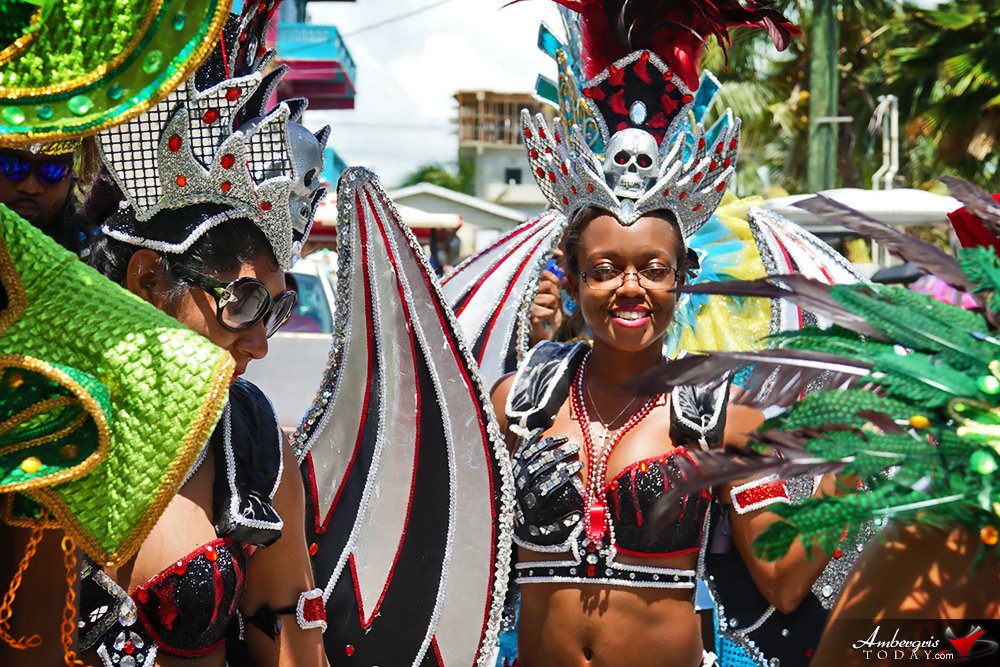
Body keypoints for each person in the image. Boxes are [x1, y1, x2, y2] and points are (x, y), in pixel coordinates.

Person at [65, 10, 332, 665]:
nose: (262, 343)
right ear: (150, 278)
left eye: (276, 308)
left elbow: (293, 648)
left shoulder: (256, 453)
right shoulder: (40, 415)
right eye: (241, 301)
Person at [0, 142, 96, 256]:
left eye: (53, 171)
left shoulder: (94, 253)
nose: (30, 188)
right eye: (12, 165)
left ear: (70, 176)